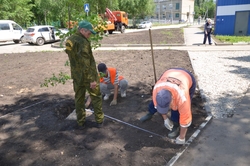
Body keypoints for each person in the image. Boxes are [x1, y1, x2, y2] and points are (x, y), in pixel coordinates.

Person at [139, 68, 196, 144]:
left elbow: (185, 119)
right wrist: (165, 119)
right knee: (155, 102)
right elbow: (158, 103)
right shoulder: (157, 89)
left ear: (172, 98)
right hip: (170, 72)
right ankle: (150, 112)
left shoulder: (182, 99)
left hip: (187, 77)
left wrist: (182, 137)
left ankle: (176, 125)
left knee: (176, 109)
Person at [65, 20, 104, 128]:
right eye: (89, 32)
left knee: (79, 98)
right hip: (88, 77)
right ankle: (99, 121)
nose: (90, 35)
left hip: (77, 76)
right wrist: (92, 79)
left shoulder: (70, 40)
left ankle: (80, 122)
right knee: (96, 97)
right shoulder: (83, 42)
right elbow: (86, 63)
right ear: (82, 30)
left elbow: (71, 56)